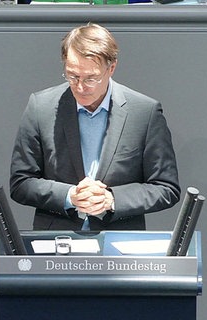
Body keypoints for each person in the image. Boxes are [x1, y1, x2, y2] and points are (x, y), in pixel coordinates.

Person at [10, 23, 180, 231]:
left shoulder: (144, 112)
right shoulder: (41, 107)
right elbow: (21, 182)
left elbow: (166, 187)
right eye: (72, 76)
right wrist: (70, 196)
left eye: (91, 78)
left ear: (111, 68)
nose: (80, 87)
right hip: (57, 240)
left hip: (120, 241)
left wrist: (111, 199)